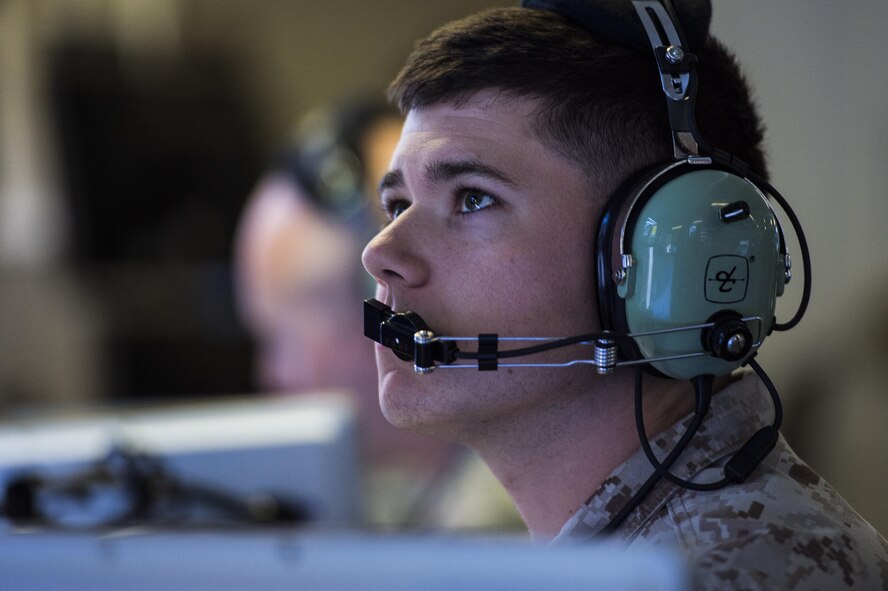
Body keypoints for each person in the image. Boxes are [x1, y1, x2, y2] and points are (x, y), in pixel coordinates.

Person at [360, 1, 888, 588]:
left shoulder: (727, 570)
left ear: (667, 263)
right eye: (397, 205)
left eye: (473, 198)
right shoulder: (627, 556)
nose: (381, 252)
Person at [234, 98, 519, 529]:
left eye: (279, 339)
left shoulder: (517, 523)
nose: (271, 375)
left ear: (391, 314)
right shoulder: (395, 507)